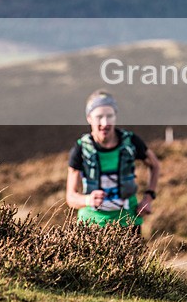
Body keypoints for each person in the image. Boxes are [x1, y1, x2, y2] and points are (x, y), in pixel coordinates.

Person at [65, 90, 160, 232]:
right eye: (99, 117)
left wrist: (148, 197)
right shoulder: (81, 149)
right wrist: (88, 200)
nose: (105, 123)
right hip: (91, 226)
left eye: (109, 116)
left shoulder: (131, 142)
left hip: (129, 224)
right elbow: (70, 197)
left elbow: (155, 165)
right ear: (89, 118)